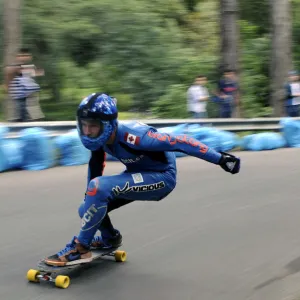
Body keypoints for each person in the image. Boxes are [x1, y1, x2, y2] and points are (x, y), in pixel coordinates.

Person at [44, 93, 241, 266]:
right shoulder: (100, 139)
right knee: (86, 207)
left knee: (97, 189)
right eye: (84, 125)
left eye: (93, 126)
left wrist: (221, 159)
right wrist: (90, 198)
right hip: (138, 173)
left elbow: (181, 142)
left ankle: (80, 248)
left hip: (162, 177)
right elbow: (95, 167)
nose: (87, 132)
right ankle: (109, 238)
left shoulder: (136, 137)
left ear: (109, 124)